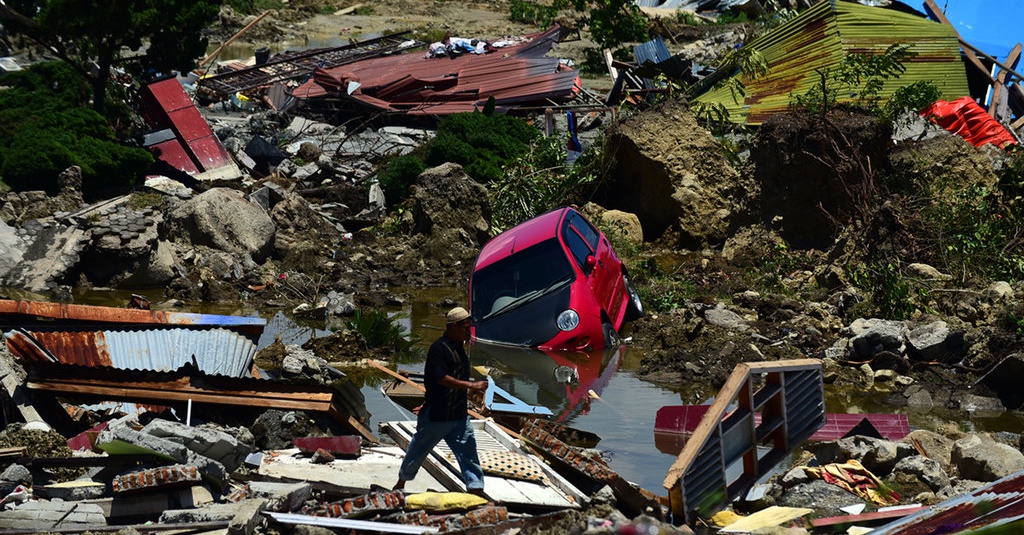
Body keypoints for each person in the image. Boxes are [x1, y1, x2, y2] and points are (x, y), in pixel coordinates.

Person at [393, 306, 489, 498]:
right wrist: (471, 385)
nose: (468, 331)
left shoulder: (460, 348)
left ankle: (476, 490)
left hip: (459, 415)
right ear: (453, 326)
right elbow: (440, 378)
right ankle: (401, 483)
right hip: (438, 414)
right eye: (465, 328)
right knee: (418, 450)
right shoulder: (439, 348)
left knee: (469, 453)